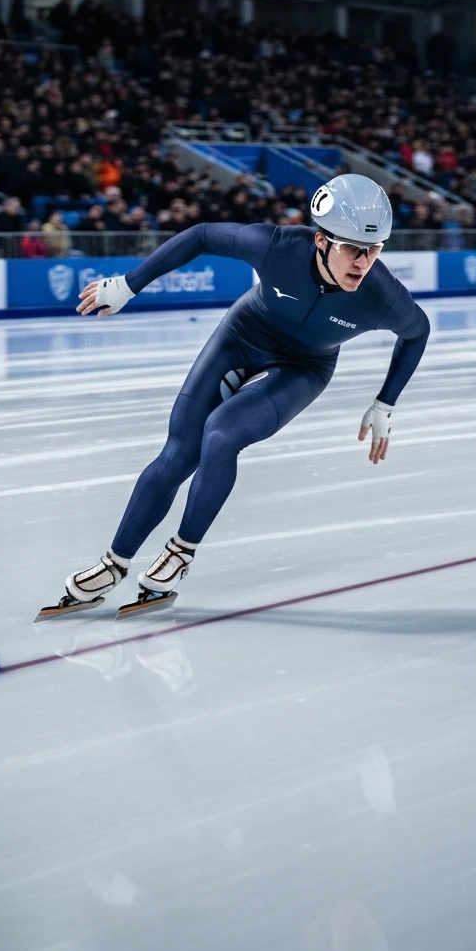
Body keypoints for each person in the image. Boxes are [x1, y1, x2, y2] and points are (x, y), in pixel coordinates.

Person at [39, 174, 430, 619]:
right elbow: (202, 235)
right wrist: (130, 284)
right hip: (242, 335)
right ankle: (114, 562)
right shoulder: (277, 246)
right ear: (321, 241)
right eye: (352, 249)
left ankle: (181, 551)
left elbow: (418, 332)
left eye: (374, 249)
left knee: (222, 435)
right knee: (180, 451)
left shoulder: (383, 296)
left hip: (303, 366)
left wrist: (385, 403)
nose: (364, 262)